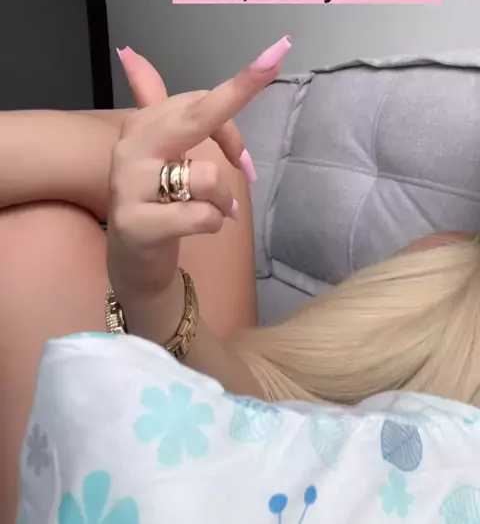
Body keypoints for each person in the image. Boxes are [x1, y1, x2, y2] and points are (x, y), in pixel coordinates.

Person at [2, 38, 480, 522]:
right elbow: (278, 410)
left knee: (44, 235)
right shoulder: (447, 275)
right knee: (192, 162)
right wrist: (150, 295)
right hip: (228, 456)